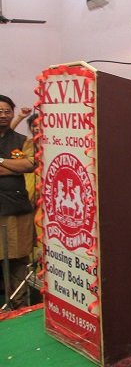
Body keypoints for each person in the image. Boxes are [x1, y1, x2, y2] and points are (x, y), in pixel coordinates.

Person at [0, 96, 35, 309]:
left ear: (12, 113)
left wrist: (2, 161)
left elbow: (29, 165)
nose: (3, 115)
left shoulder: (22, 140)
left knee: (19, 256)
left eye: (7, 111)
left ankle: (19, 303)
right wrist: (14, 166)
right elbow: (20, 165)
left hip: (17, 208)